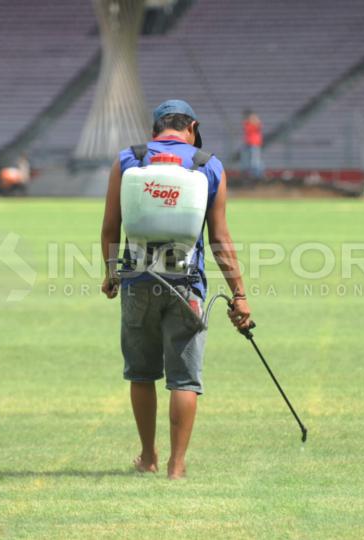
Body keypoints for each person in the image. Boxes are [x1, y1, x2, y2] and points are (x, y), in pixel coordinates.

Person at [100, 99, 253, 480]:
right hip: (187, 286)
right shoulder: (208, 165)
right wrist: (239, 295)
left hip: (137, 282)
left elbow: (111, 227)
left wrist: (110, 273)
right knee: (184, 379)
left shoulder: (129, 160)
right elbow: (219, 239)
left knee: (141, 374)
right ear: (192, 127)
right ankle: (177, 465)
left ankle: (148, 456)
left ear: (155, 129)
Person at [241, 109, 264, 180]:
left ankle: (258, 176)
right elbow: (247, 129)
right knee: (249, 161)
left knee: (255, 161)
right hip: (248, 144)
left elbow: (257, 126)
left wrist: (253, 119)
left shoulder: (255, 122)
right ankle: (252, 175)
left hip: (255, 144)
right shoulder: (247, 123)